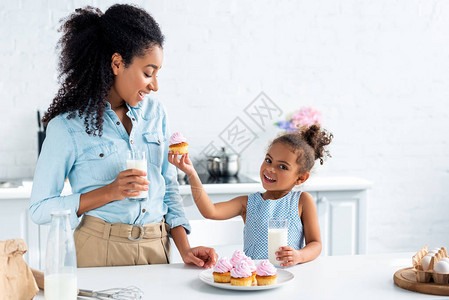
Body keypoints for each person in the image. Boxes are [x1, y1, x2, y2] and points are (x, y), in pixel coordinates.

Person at [29, 4, 216, 268]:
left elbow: (168, 186)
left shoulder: (156, 113)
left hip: (157, 248)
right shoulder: (67, 126)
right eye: (148, 73)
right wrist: (109, 192)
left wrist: (184, 248)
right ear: (117, 63)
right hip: (98, 250)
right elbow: (39, 208)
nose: (155, 85)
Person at [169, 125, 333, 266]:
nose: (270, 169)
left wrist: (299, 256)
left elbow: (315, 244)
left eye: (282, 167)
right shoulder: (248, 203)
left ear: (301, 177)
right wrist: (191, 173)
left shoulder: (302, 201)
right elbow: (210, 211)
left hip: (289, 278)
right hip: (254, 280)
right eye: (268, 160)